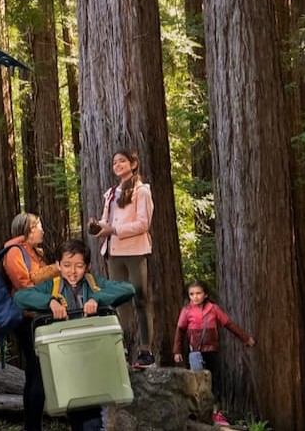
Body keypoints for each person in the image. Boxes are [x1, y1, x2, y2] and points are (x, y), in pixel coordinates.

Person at [14, 239, 137, 431]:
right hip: (66, 363)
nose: (72, 271)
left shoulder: (95, 284)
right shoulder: (51, 286)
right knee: (76, 415)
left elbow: (128, 289)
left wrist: (97, 298)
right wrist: (50, 302)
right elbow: (20, 297)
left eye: (79, 266)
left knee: (93, 417)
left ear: (87, 266)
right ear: (58, 265)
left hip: (92, 359)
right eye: (67, 265)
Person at [88, 148, 155, 367]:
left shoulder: (141, 191)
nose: (118, 165)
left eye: (122, 161)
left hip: (135, 251)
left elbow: (143, 224)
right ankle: (123, 348)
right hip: (114, 253)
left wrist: (114, 230)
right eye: (115, 162)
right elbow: (107, 221)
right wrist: (97, 226)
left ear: (133, 164)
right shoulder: (111, 192)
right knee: (119, 301)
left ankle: (146, 350)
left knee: (140, 298)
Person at [2, 212, 59, 431]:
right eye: (38, 226)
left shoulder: (34, 253)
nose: (42, 230)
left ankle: (31, 426)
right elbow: (26, 285)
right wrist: (55, 269)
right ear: (26, 230)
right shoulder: (14, 253)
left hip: (39, 318)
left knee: (34, 372)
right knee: (39, 373)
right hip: (28, 320)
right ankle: (33, 427)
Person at [172, 280, 256, 427]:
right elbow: (180, 331)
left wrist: (245, 339)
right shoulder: (186, 311)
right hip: (195, 352)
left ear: (205, 294)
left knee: (213, 381)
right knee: (198, 381)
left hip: (212, 350)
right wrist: (177, 350)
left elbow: (229, 325)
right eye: (192, 294)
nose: (195, 297)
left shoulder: (213, 309)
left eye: (198, 293)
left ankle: (215, 412)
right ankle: (198, 412)